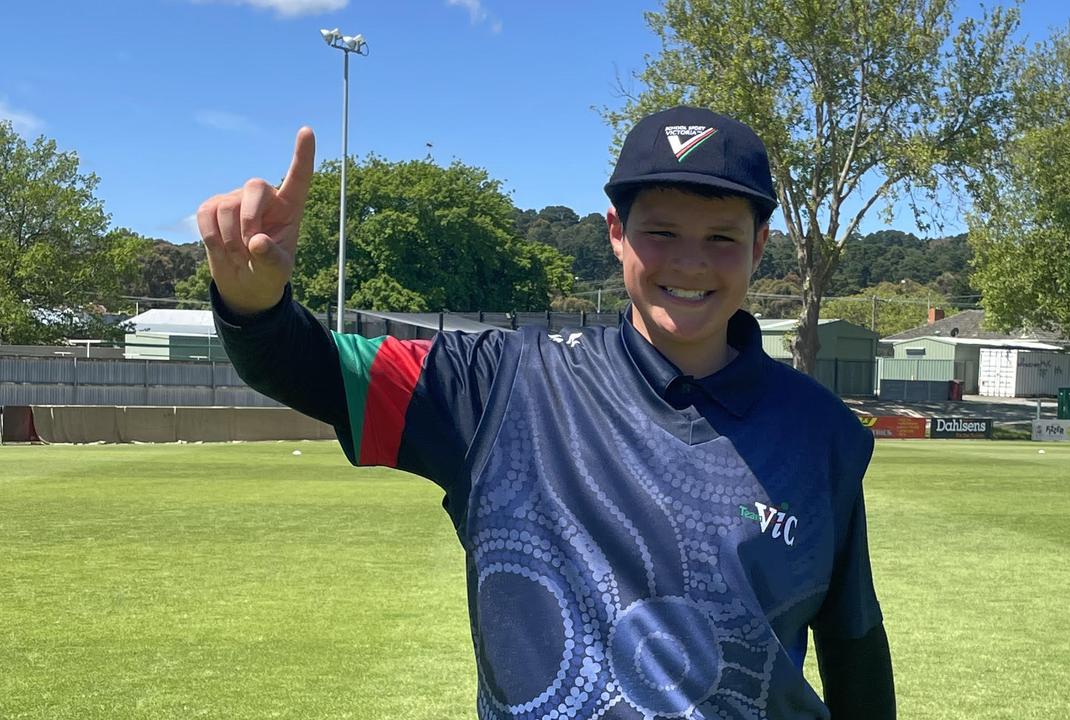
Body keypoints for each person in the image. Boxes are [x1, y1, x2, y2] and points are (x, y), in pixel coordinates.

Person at [197, 106, 894, 719]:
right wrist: (255, 305)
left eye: (720, 237)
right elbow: (310, 369)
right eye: (661, 232)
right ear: (616, 232)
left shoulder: (821, 432)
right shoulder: (500, 385)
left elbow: (854, 645)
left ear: (760, 246)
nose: (689, 263)